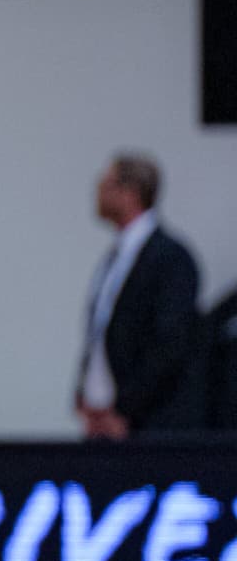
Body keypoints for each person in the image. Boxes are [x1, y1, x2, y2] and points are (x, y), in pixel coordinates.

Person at [75, 153, 207, 437]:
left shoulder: (170, 258)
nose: (98, 191)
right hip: (102, 422)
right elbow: (100, 331)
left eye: (106, 184)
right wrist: (84, 396)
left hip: (144, 426)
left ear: (130, 193)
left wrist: (124, 409)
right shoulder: (116, 258)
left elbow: (169, 344)